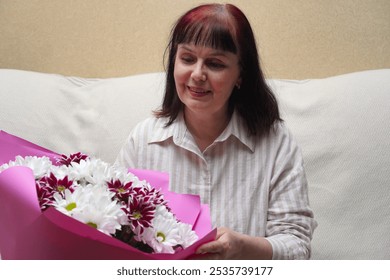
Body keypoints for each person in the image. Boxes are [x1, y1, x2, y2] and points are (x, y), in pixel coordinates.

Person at [116, 3, 317, 259]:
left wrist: (244, 247)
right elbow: (115, 231)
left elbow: (298, 245)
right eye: (187, 59)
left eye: (215, 64)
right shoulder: (143, 140)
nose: (197, 74)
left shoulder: (276, 142)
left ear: (241, 73)